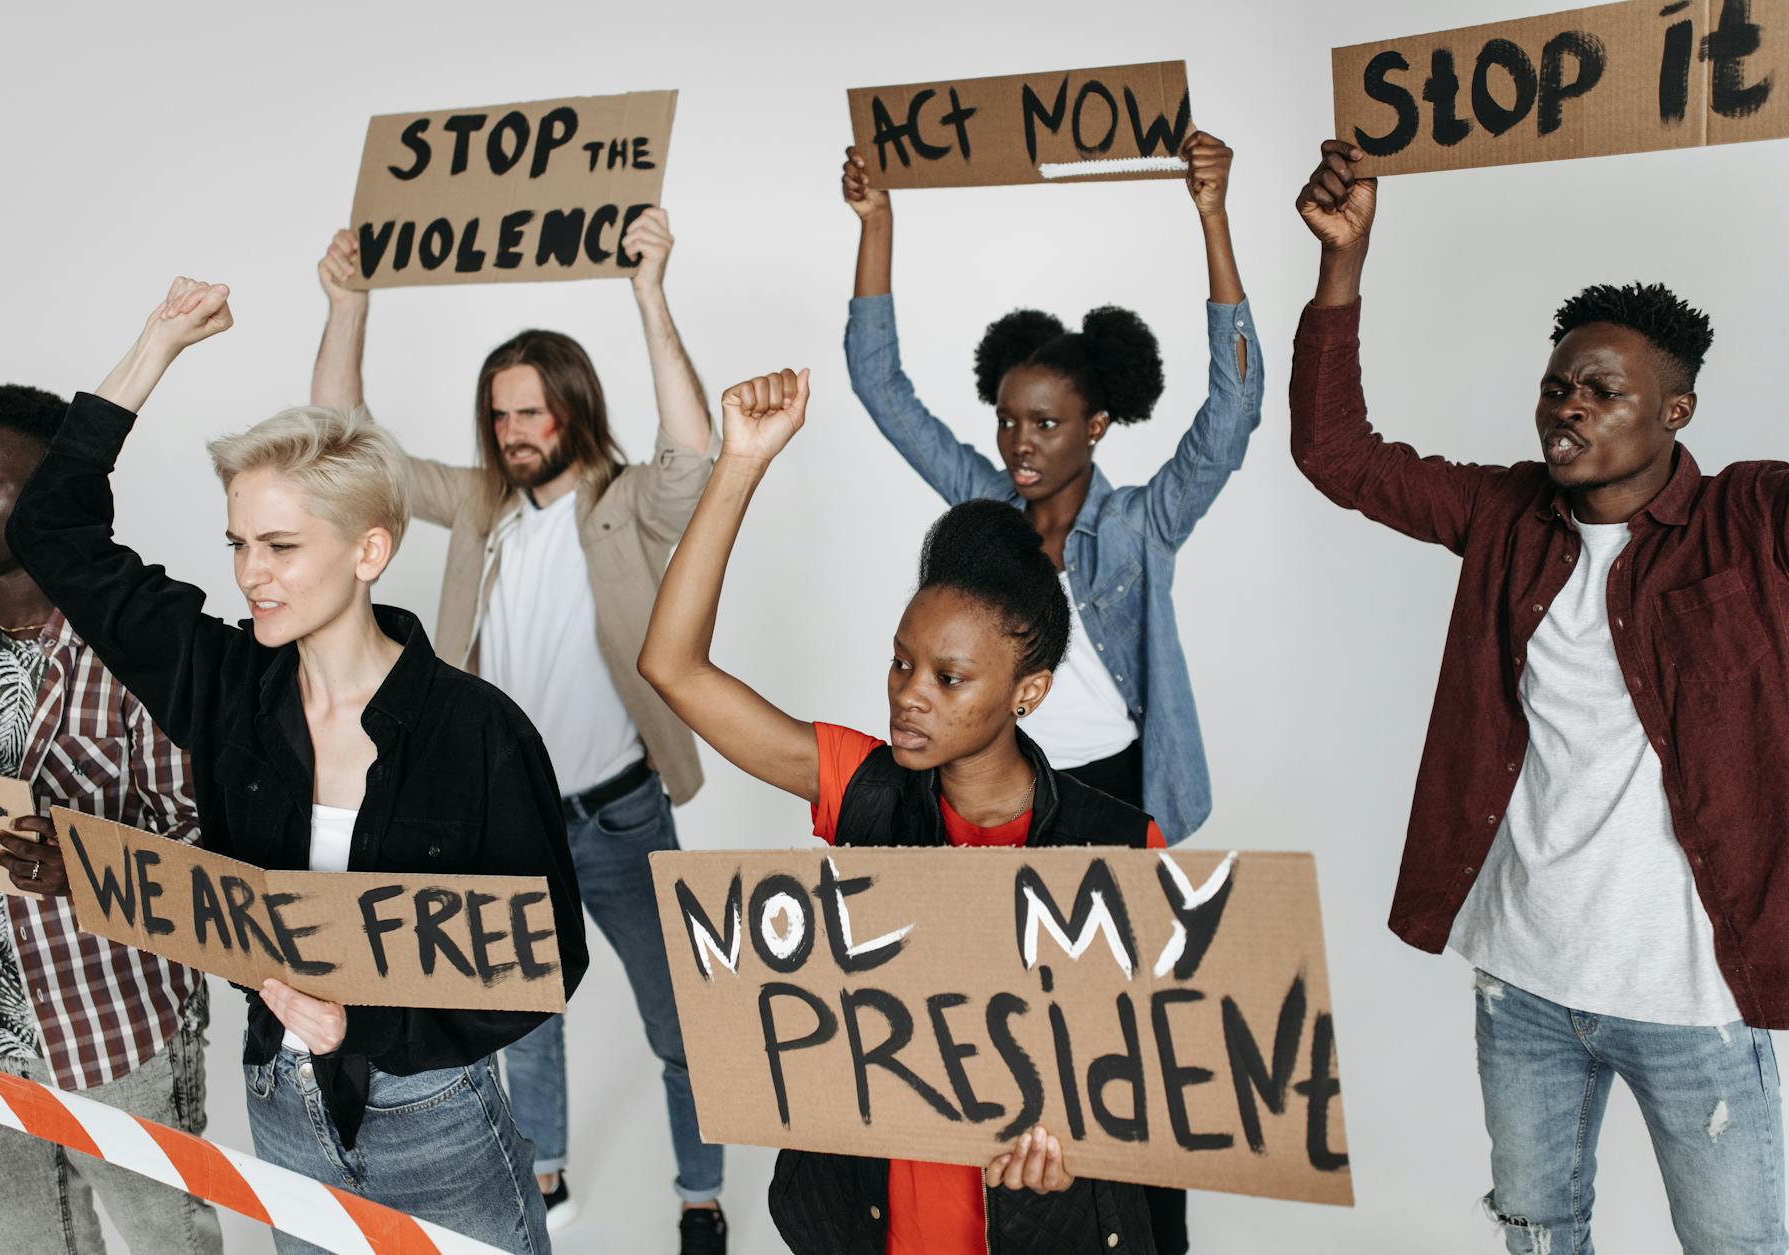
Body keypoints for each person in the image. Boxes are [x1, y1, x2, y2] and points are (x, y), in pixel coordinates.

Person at [5, 278, 589, 1255]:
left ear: (369, 549)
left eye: (280, 545)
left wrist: (366, 1020)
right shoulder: (225, 684)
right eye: (238, 542)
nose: (250, 574)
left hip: (433, 1116)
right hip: (279, 1104)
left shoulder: (477, 731)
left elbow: (540, 961)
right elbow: (51, 534)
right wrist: (155, 346)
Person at [1292, 140, 1789, 1254]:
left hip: (1688, 996)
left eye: (1601, 392)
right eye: (1555, 385)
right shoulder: (1504, 517)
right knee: (1538, 1234)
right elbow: (1334, 453)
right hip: (1521, 982)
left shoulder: (1750, 521)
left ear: (1674, 413)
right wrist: (1343, 265)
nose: (1565, 408)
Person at [638, 367, 1169, 1255]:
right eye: (901, 663)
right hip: (867, 1224)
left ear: (1026, 690)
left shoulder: (1116, 842)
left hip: (1038, 1230)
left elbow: (1149, 1072)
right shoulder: (864, 787)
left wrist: (1078, 1146)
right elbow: (673, 667)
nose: (909, 697)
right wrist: (740, 463)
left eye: (950, 678)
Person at [840, 128, 1257, 1255]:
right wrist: (878, 226)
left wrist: (1212, 220)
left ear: (1098, 426)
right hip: (987, 798)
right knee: (998, 1048)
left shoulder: (1137, 523)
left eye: (1046, 423)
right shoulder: (977, 505)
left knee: (1118, 1060)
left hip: (1108, 802)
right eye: (1008, 418)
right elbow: (880, 388)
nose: (1019, 443)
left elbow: (1231, 416)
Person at [311, 205, 726, 1252]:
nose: (513, 433)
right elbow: (344, 442)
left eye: (532, 413)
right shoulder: (481, 506)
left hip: (621, 815)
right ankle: (542, 1176)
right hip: (506, 823)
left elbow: (692, 449)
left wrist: (648, 292)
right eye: (499, 415)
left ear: (573, 412)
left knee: (679, 1018)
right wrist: (347, 305)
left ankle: (701, 1191)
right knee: (524, 1016)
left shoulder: (624, 502)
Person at [0, 383, 219, 1255]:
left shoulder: (136, 646)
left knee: (171, 1240)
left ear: (51, 500)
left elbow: (199, 833)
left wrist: (82, 859)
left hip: (114, 1022)